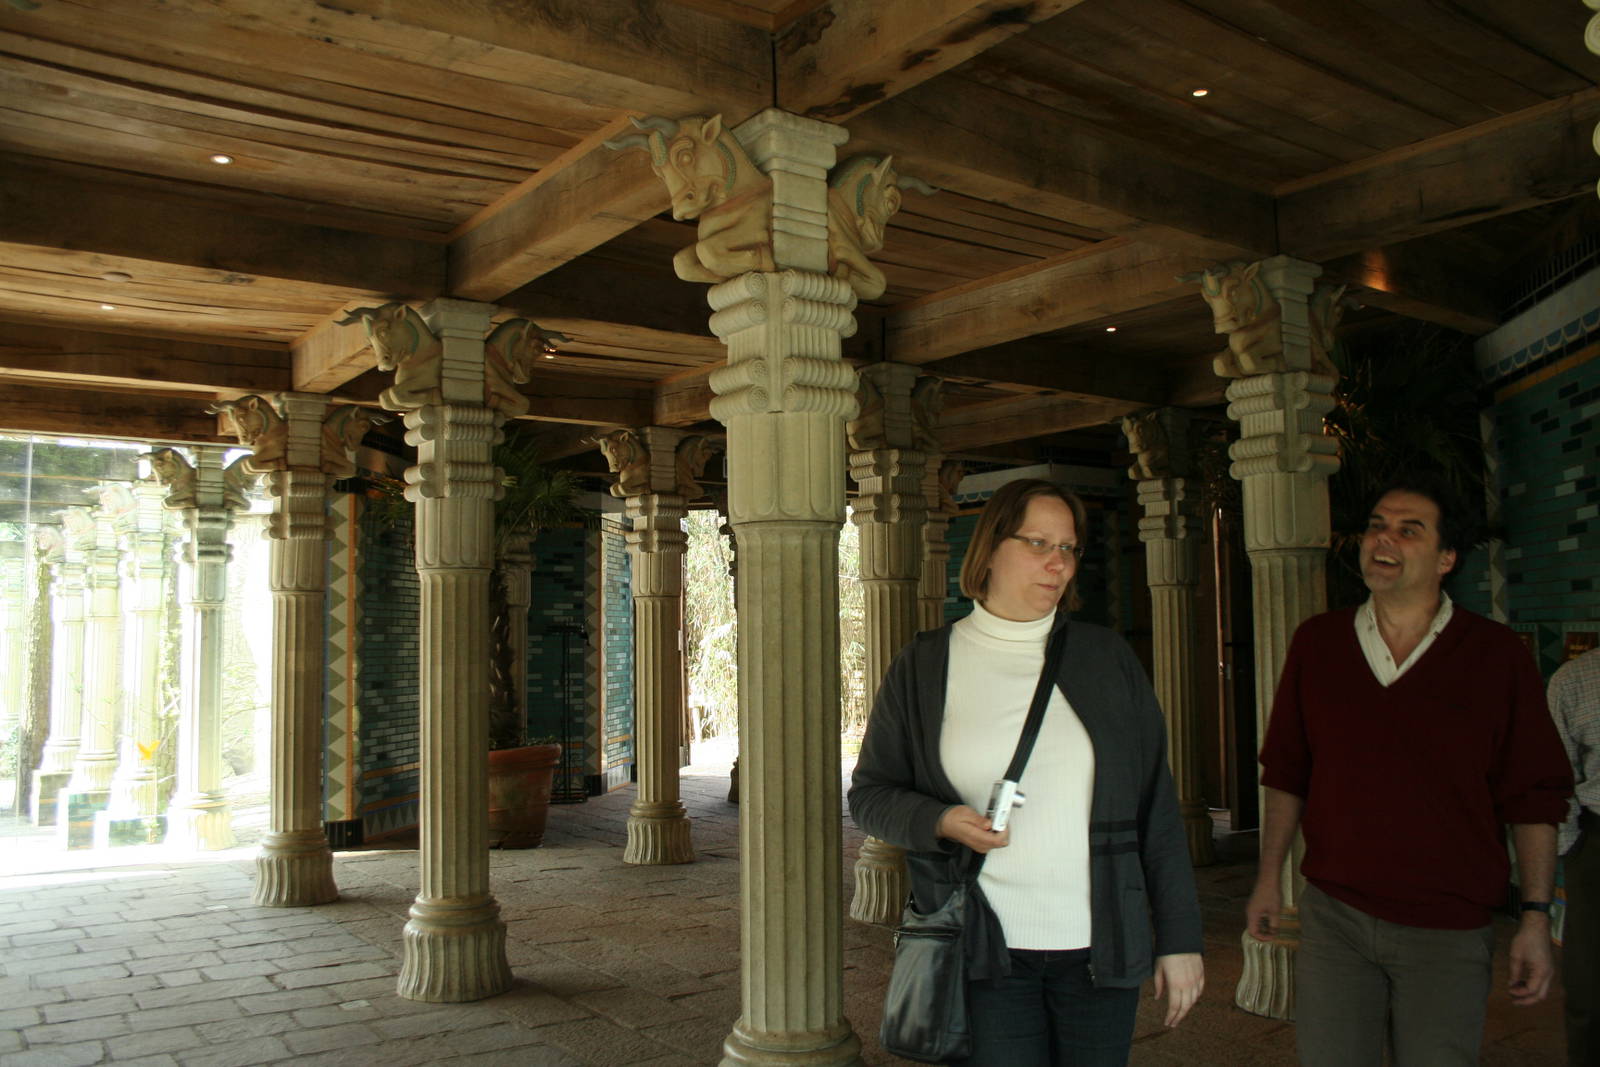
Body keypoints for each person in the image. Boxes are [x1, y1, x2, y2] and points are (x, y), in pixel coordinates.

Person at [849, 478, 1204, 1065]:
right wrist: (941, 820)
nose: (1057, 563)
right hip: (985, 948)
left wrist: (1181, 940)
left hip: (1101, 948)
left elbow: (1156, 810)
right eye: (1038, 543)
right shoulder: (926, 664)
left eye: (1068, 548)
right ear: (988, 549)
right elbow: (871, 795)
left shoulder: (1106, 658)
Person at [1246, 478, 1573, 1066]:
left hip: (1447, 928)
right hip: (1336, 917)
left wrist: (1534, 917)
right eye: (1376, 525)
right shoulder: (1318, 644)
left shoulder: (1496, 657)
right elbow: (1288, 771)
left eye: (1408, 529)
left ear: (1447, 558)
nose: (1383, 540)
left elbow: (1534, 797)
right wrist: (1270, 877)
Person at [1548, 646, 1600, 1067]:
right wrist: (1573, 848)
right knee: (1589, 985)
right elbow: (1556, 774)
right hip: (1597, 844)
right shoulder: (1575, 679)